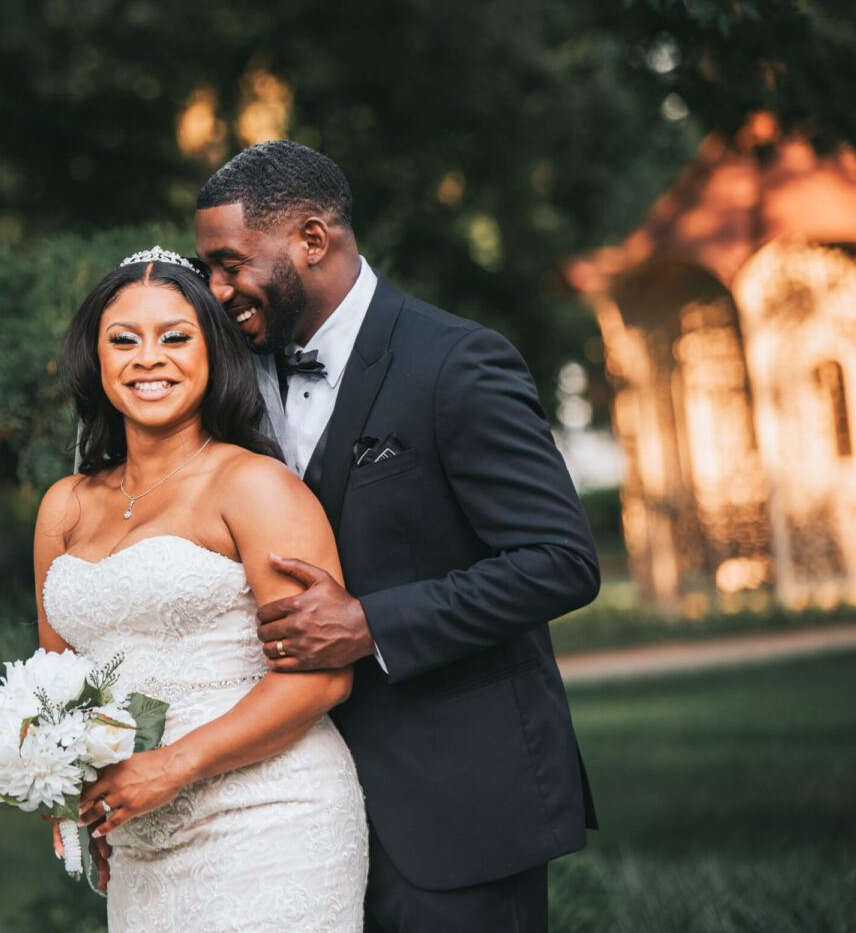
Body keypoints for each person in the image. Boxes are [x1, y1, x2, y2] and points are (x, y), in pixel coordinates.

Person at [191, 140, 600, 933]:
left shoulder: (457, 363)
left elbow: (560, 561)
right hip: (298, 819)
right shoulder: (233, 380)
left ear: (313, 239)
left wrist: (370, 623)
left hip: (457, 802)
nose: (215, 288)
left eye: (230, 262)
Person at [34, 248, 369, 933]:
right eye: (123, 340)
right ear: (95, 360)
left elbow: (323, 679)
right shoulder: (63, 506)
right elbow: (58, 684)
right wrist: (62, 783)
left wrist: (172, 767)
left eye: (174, 337)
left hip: (270, 818)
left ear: (212, 351)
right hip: (137, 837)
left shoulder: (254, 486)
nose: (147, 358)